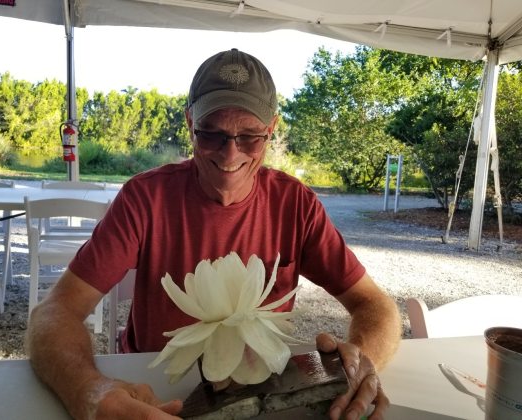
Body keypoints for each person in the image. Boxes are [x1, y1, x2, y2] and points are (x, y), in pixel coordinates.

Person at [26, 48, 401, 420]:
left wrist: (360, 365)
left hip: (263, 398)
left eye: (250, 136)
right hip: (156, 393)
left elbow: (375, 306)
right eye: (212, 134)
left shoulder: (295, 205)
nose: (229, 153)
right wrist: (89, 390)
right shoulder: (147, 199)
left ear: (271, 128)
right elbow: (55, 312)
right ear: (190, 123)